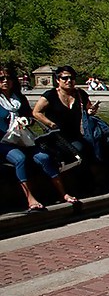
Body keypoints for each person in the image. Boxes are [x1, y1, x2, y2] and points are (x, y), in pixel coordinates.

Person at [0, 63, 78, 210]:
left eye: (8, 77)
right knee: (20, 159)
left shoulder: (19, 98)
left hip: (23, 139)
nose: (5, 81)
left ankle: (63, 194)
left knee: (44, 158)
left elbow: (31, 118)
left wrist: (25, 121)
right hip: (4, 142)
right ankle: (30, 199)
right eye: (1, 78)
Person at [32, 66, 94, 160]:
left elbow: (88, 109)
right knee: (79, 150)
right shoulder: (50, 95)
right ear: (58, 80)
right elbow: (36, 112)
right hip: (57, 137)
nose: (69, 80)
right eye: (64, 78)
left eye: (72, 78)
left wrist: (91, 111)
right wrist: (50, 123)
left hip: (77, 135)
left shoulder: (80, 94)